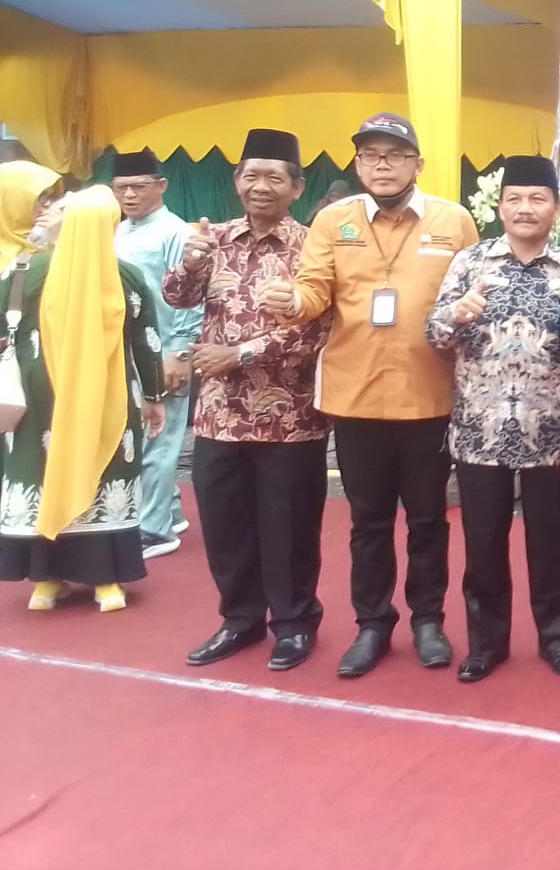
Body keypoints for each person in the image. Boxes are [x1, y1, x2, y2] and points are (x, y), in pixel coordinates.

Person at [262, 113, 479, 679]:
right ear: (358, 164)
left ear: (417, 164)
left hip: (429, 395)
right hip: (355, 394)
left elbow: (474, 291)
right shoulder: (333, 220)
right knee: (369, 522)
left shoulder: (453, 221)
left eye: (395, 155)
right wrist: (294, 301)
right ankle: (373, 624)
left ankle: (428, 621)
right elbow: (314, 289)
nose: (382, 165)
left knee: (429, 518)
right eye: (370, 155)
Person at [165, 130, 333, 673]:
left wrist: (238, 355)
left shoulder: (313, 247)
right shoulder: (214, 238)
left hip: (291, 417)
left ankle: (294, 623)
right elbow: (176, 297)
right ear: (237, 181)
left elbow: (318, 328)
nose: (261, 186)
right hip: (219, 416)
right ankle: (240, 619)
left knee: (289, 528)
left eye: (274, 178)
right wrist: (191, 264)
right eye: (251, 175)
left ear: (296, 188)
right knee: (225, 526)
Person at [428, 155, 560, 683]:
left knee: (552, 545)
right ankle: (486, 643)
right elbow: (433, 335)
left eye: (537, 199)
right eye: (515, 199)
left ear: (557, 209)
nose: (525, 209)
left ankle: (556, 638)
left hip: (553, 434)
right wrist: (455, 315)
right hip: (479, 433)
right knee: (482, 545)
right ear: (499, 207)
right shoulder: (469, 263)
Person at [0, 186, 166, 613]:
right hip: (108, 402)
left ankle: (46, 581)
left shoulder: (24, 271)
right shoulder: (126, 276)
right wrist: (154, 395)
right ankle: (105, 582)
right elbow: (147, 341)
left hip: (39, 402)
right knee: (104, 469)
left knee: (43, 473)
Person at [110, 148, 202, 559]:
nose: (129, 195)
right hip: (130, 354)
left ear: (161, 185)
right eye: (121, 188)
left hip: (164, 351)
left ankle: (154, 530)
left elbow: (193, 298)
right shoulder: (120, 231)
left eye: (138, 187)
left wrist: (180, 353)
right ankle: (170, 512)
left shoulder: (175, 233)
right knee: (145, 438)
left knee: (158, 441)